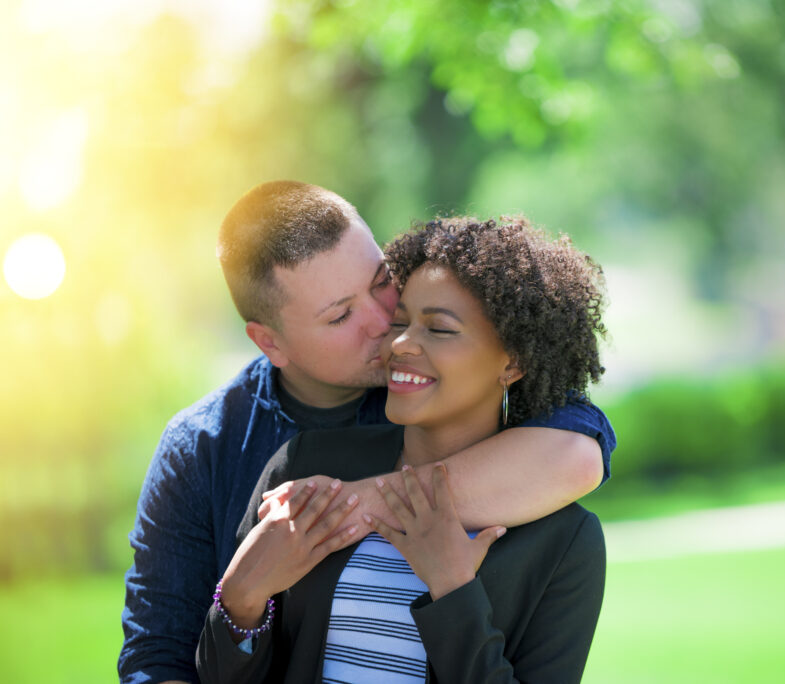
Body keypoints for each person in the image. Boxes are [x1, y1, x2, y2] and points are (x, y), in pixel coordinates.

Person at [119, 183, 616, 684]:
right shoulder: (217, 447)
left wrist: (351, 507)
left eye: (383, 283)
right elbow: (158, 657)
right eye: (340, 315)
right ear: (270, 341)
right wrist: (242, 596)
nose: (388, 328)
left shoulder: (456, 397)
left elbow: (578, 449)